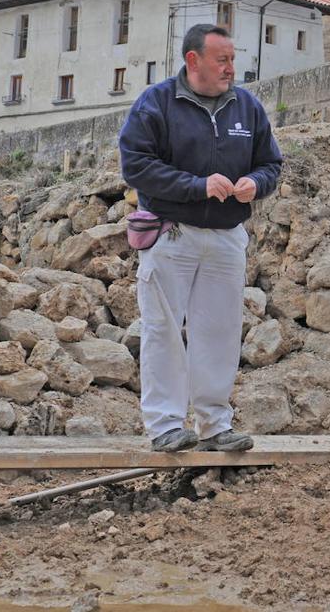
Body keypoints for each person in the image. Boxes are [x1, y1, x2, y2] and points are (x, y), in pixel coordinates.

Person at [119, 23, 283, 453]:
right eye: (222, 60)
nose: (232, 68)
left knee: (221, 329)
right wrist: (196, 186)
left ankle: (215, 425)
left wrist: (255, 182)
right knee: (164, 329)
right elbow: (136, 165)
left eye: (233, 59)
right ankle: (165, 426)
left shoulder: (247, 107)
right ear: (194, 61)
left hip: (228, 236)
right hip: (171, 233)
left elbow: (272, 164)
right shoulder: (155, 104)